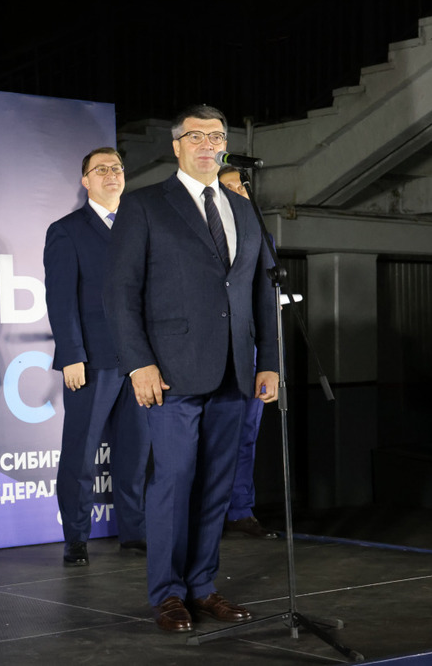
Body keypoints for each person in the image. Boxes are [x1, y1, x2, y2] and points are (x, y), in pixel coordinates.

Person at [104, 105, 279, 632]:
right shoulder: (144, 205)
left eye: (216, 136)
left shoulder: (244, 209)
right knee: (174, 482)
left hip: (234, 371)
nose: (208, 145)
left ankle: (202, 586)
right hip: (170, 374)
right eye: (196, 136)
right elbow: (121, 293)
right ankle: (168, 594)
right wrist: (138, 363)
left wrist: (269, 362)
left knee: (216, 486)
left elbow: (261, 292)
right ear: (176, 145)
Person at [44, 147, 148, 566]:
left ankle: (135, 533)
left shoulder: (140, 225)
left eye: (117, 168)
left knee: (135, 453)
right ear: (85, 181)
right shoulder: (67, 230)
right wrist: (72, 354)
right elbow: (61, 299)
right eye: (100, 169)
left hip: (140, 360)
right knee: (81, 453)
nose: (111, 174)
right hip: (91, 361)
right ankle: (76, 537)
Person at [217, 167, 278, 540]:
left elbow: (267, 303)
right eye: (229, 186)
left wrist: (269, 362)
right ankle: (204, 512)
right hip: (205, 353)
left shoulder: (261, 235)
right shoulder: (198, 234)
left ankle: (240, 510)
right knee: (207, 437)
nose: (238, 191)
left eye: (242, 186)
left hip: (248, 350)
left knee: (246, 433)